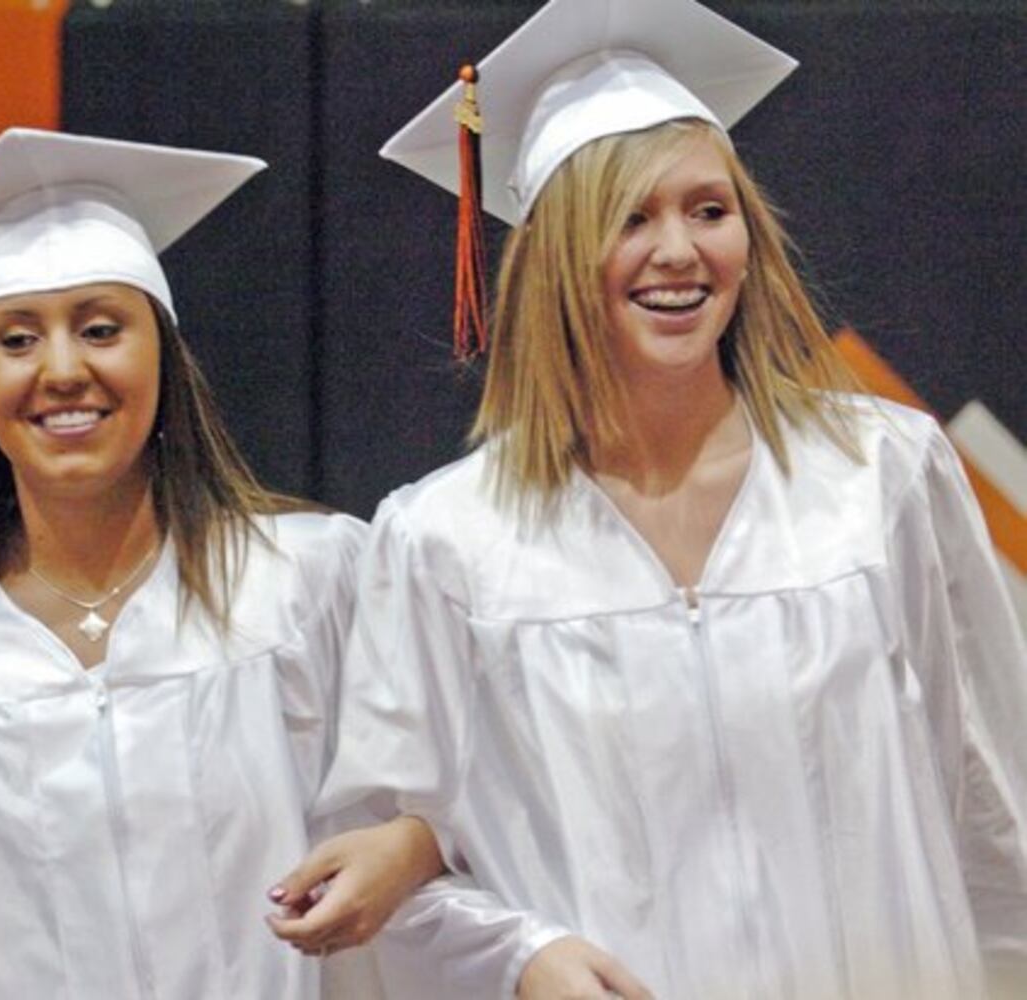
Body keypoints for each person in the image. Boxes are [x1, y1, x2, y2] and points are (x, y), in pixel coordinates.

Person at [308, 1, 1027, 998]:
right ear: (558, 255)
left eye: (706, 209)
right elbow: (384, 876)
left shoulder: (878, 476)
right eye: (628, 218)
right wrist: (517, 957)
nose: (679, 251)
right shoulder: (447, 540)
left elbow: (988, 786)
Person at [0, 128, 439, 999]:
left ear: (163, 358)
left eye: (102, 328)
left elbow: (474, 797)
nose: (64, 370)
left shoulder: (308, 584)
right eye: (17, 339)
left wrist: (419, 844)